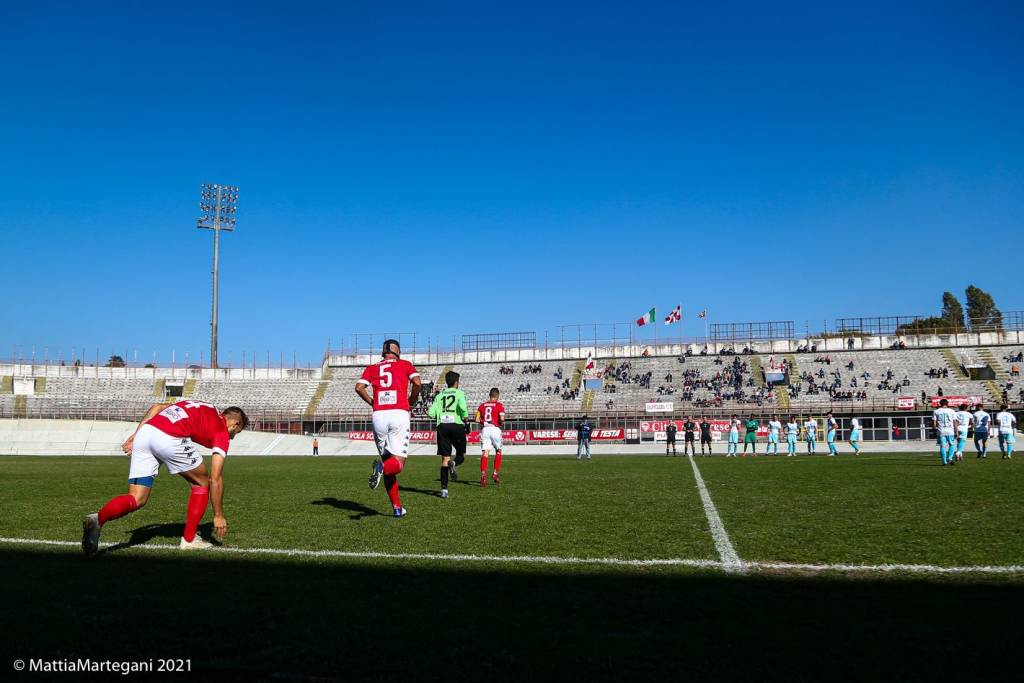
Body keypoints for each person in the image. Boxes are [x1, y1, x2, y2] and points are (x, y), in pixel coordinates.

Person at [81, 400, 249, 556]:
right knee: (202, 483)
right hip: (169, 437)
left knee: (137, 498)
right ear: (235, 424)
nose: (233, 437)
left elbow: (157, 407)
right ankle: (189, 540)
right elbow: (216, 478)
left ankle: (98, 518)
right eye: (236, 433)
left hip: (146, 431)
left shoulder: (205, 407)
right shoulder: (222, 431)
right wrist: (218, 515)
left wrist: (136, 436)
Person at [358, 339, 422, 517]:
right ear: (398, 351)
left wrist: (372, 402)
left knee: (387, 459)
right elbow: (417, 383)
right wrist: (411, 400)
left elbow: (359, 387)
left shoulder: (372, 368)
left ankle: (397, 508)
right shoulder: (405, 364)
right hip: (398, 414)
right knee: (398, 464)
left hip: (379, 416)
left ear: (383, 352)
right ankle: (381, 468)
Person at [428, 370, 468, 499]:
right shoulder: (460, 393)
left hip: (443, 427)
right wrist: (466, 422)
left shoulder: (439, 396)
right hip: (456, 425)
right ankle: (454, 464)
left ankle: (444, 490)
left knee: (445, 459)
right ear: (456, 382)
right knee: (461, 455)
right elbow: (462, 408)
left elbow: (431, 413)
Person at [476, 388, 506, 485]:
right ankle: (495, 473)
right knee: (498, 451)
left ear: (490, 395)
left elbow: (476, 419)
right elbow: (502, 419)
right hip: (495, 429)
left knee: (485, 453)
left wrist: (484, 422)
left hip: (485, 430)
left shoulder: (482, 406)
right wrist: (500, 422)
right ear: (497, 396)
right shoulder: (499, 405)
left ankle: (483, 475)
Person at [932, 398, 958, 466]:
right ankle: (950, 458)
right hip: (950, 431)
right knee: (951, 444)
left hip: (941, 431)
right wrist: (956, 431)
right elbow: (954, 422)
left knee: (942, 446)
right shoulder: (952, 411)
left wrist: (935, 430)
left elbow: (934, 423)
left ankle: (944, 461)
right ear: (947, 404)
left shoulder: (936, 411)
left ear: (940, 404)